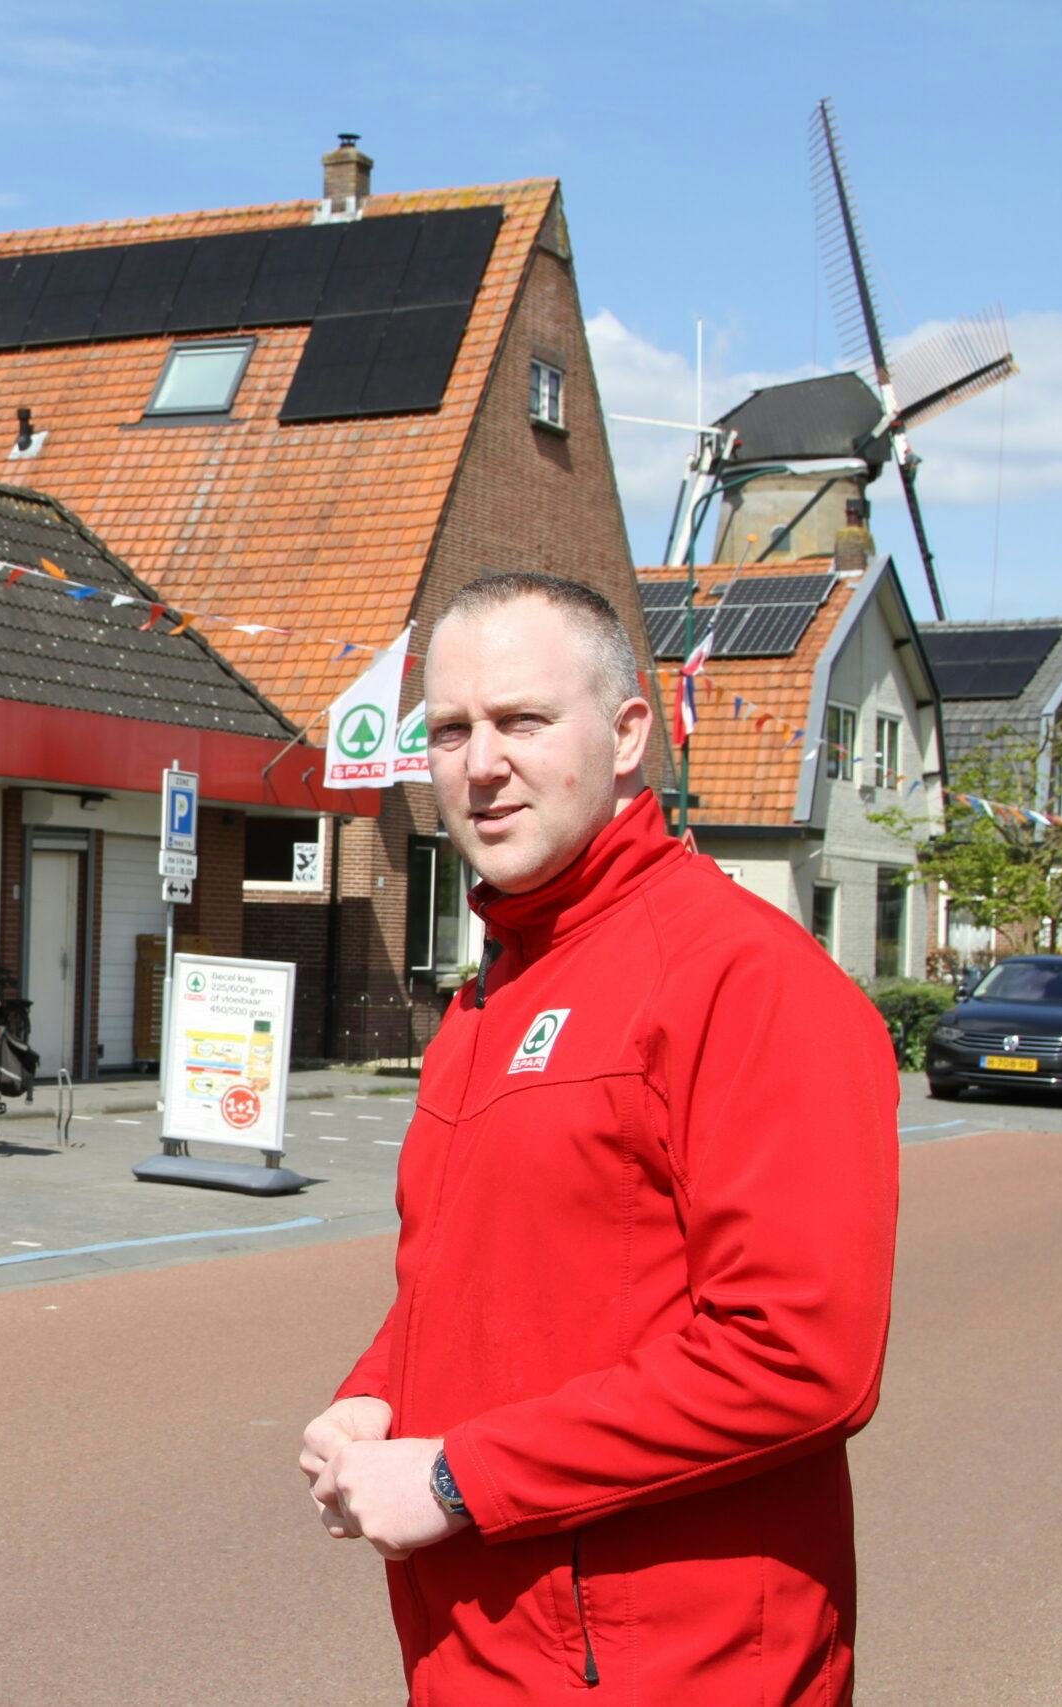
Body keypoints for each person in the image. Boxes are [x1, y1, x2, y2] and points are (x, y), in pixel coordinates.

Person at [299, 572, 900, 1702]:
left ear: (628, 735)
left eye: (523, 721)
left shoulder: (744, 981)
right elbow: (482, 1270)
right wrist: (380, 1389)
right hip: (484, 1646)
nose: (480, 764)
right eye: (450, 730)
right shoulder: (492, 999)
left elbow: (797, 1357)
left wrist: (456, 1474)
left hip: (664, 1665)